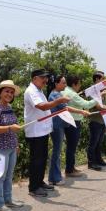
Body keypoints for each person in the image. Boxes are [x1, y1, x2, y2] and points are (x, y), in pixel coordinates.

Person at [24, 69, 70, 197]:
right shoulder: (31, 91)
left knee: (43, 158)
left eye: (46, 78)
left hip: (42, 130)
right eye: (43, 77)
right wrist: (59, 101)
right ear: (34, 78)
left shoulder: (39, 90)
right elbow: (42, 106)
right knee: (36, 160)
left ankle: (39, 182)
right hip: (35, 131)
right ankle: (33, 187)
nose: (46, 80)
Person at [0, 80, 24, 211]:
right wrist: (9, 128)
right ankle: (0, 205)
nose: (9, 94)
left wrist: (16, 144)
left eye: (12, 92)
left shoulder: (9, 108)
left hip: (11, 148)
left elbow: (13, 128)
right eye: (7, 91)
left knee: (9, 176)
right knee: (0, 178)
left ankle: (8, 200)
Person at [47, 75, 90, 186]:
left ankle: (53, 177)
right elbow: (66, 108)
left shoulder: (58, 94)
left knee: (58, 152)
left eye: (66, 83)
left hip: (59, 126)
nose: (65, 85)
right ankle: (55, 178)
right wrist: (82, 112)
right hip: (57, 126)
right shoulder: (56, 95)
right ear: (56, 84)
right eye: (63, 83)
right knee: (57, 152)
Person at [62, 75, 99, 177]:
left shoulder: (65, 91)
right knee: (72, 146)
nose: (80, 86)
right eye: (79, 84)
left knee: (71, 146)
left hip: (68, 121)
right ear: (74, 84)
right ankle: (69, 170)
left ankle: (71, 167)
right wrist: (97, 98)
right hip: (73, 122)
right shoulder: (72, 94)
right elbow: (86, 104)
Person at [86, 71, 106, 171]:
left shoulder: (102, 90)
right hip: (95, 120)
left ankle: (99, 160)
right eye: (102, 79)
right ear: (97, 80)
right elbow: (98, 106)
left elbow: (104, 105)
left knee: (99, 142)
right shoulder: (92, 91)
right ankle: (91, 163)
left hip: (102, 120)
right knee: (93, 142)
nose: (104, 81)